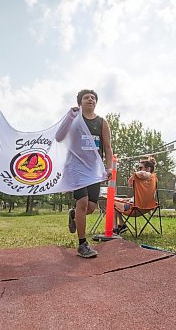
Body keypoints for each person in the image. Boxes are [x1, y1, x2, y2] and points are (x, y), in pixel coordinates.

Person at [59, 89, 114, 258]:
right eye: (86, 98)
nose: (90, 99)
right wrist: (69, 117)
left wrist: (109, 167)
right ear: (80, 102)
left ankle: (73, 214)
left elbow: (108, 147)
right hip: (76, 168)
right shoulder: (74, 119)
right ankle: (83, 244)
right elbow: (59, 137)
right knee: (82, 201)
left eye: (93, 98)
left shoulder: (102, 122)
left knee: (90, 207)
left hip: (93, 170)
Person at [113, 157, 157, 235]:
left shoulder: (148, 175)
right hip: (146, 207)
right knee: (119, 200)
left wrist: (135, 174)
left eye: (140, 168)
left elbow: (142, 174)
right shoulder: (154, 179)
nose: (139, 170)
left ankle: (115, 228)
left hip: (135, 209)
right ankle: (122, 225)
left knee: (112, 201)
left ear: (148, 169)